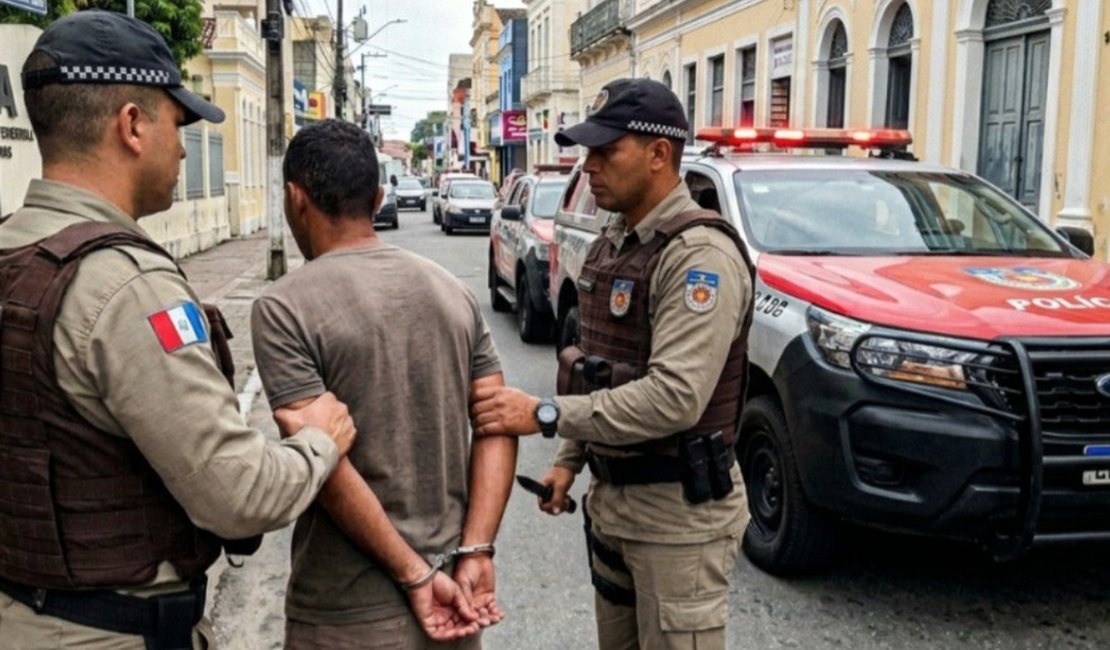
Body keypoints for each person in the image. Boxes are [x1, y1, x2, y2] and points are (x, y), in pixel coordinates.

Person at [0, 11, 358, 650]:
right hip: (111, 628)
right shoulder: (126, 287)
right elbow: (237, 495)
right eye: (178, 121)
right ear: (133, 124)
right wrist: (321, 443)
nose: (186, 146)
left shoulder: (12, 250)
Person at [471, 78, 754, 650]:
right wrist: (569, 462)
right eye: (586, 151)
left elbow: (675, 398)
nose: (588, 165)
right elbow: (596, 367)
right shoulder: (614, 241)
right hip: (614, 506)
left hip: (678, 518)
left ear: (658, 154)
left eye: (605, 151)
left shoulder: (698, 257)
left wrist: (544, 414)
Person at [251, 119, 517, 649]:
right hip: (456, 603)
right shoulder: (451, 290)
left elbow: (324, 461)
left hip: (346, 614)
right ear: (376, 197)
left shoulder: (283, 308)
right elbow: (498, 419)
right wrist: (476, 551)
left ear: (294, 198)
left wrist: (413, 574)